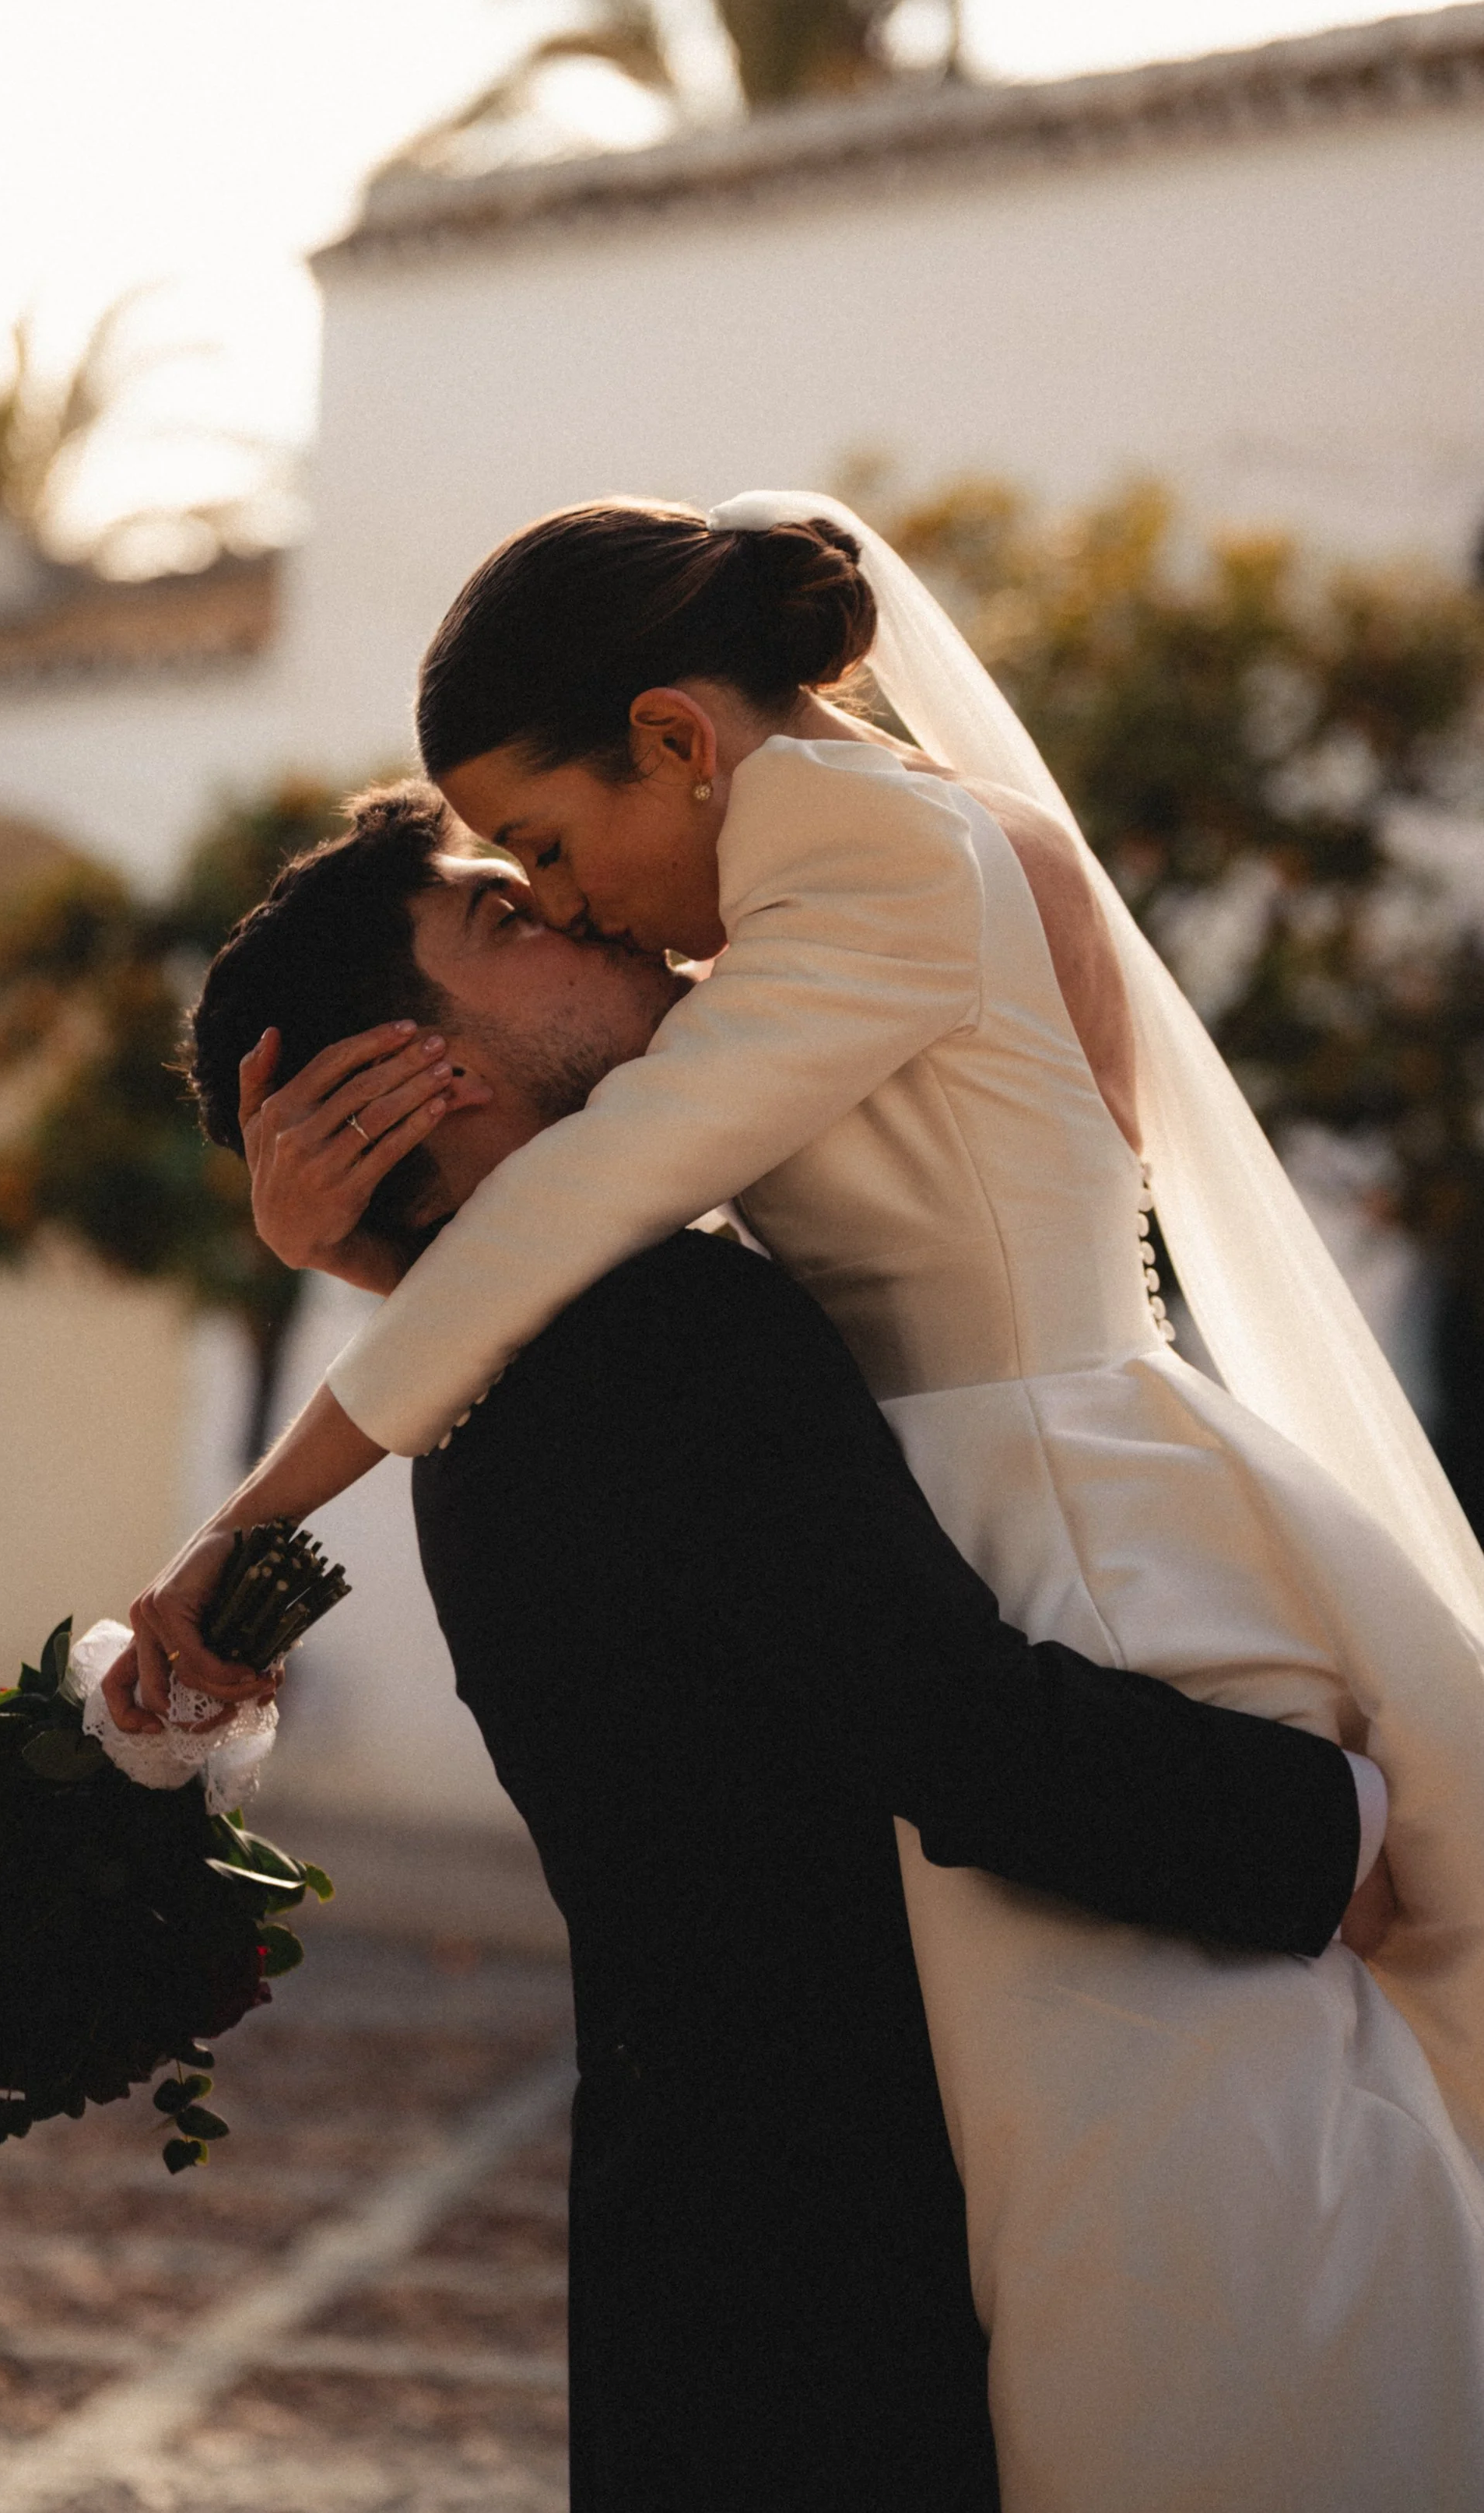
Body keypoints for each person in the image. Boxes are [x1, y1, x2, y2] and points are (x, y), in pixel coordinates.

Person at [120, 495, 1484, 2510]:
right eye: (518, 901)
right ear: (416, 1074)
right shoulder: (650, 1310)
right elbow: (937, 1708)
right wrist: (1315, 1828)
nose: (572, 907)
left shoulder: (848, 897)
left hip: (1045, 1617)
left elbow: (601, 1273)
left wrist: (322, 1392)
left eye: (549, 858)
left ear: (675, 734)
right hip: (839, 2237)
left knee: (1241, 2262)